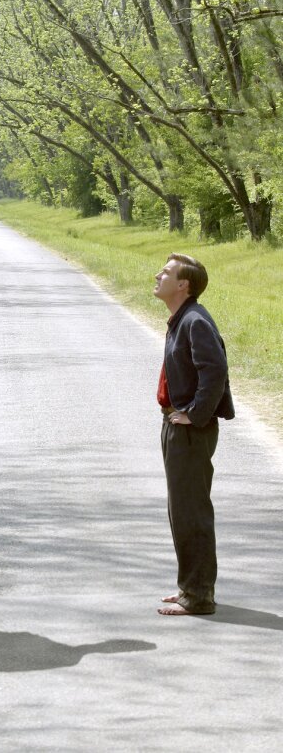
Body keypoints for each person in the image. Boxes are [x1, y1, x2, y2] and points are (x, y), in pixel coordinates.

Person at [154, 253, 234, 617]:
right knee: (181, 511)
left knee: (192, 513)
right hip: (176, 425)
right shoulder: (182, 318)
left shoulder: (195, 321)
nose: (158, 276)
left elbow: (214, 370)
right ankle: (190, 587)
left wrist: (196, 414)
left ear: (183, 284)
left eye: (167, 272)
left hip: (190, 430)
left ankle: (199, 596)